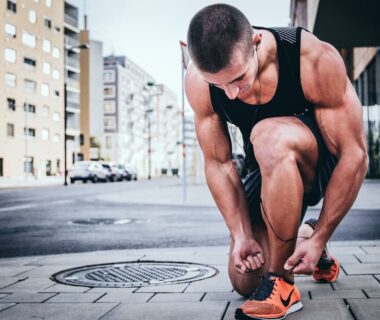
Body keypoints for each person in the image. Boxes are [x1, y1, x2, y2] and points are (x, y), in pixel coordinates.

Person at [185, 4, 368, 320]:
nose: (230, 94)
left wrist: (326, 231)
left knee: (268, 135)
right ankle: (303, 238)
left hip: (317, 163)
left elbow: (355, 154)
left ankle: (282, 285)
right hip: (265, 166)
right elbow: (219, 163)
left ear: (256, 43)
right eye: (218, 85)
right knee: (244, 280)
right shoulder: (199, 81)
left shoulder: (308, 56)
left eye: (239, 78)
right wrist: (240, 233)